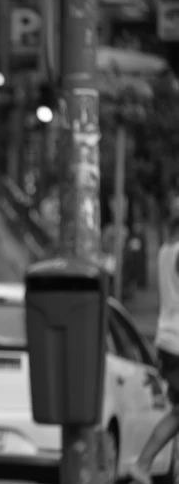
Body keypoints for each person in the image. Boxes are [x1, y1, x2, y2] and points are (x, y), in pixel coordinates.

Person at [129, 201, 179, 484]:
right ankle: (143, 464)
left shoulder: (165, 250)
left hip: (167, 338)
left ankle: (144, 465)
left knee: (177, 413)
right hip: (177, 342)